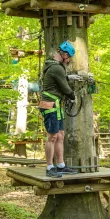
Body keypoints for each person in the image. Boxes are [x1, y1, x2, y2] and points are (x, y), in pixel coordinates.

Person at [39, 41, 81, 177]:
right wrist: (73, 96)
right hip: (50, 104)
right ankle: (50, 167)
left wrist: (68, 77)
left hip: (55, 104)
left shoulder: (54, 66)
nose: (68, 61)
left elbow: (58, 80)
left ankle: (60, 165)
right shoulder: (56, 67)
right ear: (63, 54)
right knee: (52, 136)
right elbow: (64, 87)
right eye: (68, 57)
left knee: (60, 135)